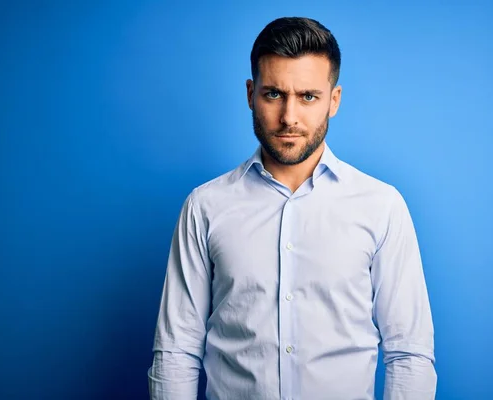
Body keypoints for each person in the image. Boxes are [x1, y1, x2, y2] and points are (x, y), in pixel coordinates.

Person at [147, 16, 437, 400]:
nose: (289, 117)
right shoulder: (205, 207)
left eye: (308, 96)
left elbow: (409, 353)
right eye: (273, 94)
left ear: (333, 100)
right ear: (251, 94)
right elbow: (176, 350)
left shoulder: (381, 206)